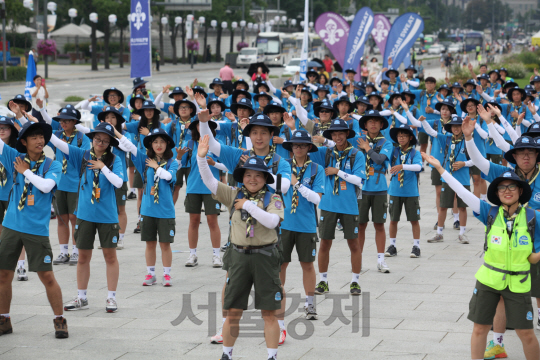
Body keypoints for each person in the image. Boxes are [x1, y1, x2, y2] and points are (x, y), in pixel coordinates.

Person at [422, 153, 540, 360]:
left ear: (521, 191)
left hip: (519, 283)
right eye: (502, 187)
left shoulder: (532, 217)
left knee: (526, 334)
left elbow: (532, 256)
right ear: (496, 192)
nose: (507, 191)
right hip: (489, 281)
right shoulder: (489, 212)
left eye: (512, 186)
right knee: (479, 329)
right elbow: (461, 191)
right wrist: (441, 169)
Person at [196, 134, 284, 360]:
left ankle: (272, 356)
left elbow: (273, 222)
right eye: (248, 174)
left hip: (265, 256)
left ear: (265, 178)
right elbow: (210, 181)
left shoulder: (273, 198)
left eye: (257, 175)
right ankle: (226, 354)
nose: (252, 179)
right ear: (242, 177)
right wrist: (201, 158)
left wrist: (248, 206)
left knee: (269, 313)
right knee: (233, 311)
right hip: (239, 257)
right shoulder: (234, 194)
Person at [0, 118, 68, 338]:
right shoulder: (14, 157)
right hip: (10, 226)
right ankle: (4, 319)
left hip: (36, 230)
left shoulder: (52, 165)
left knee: (47, 276)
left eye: (42, 137)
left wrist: (26, 172)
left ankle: (60, 320)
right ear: (24, 141)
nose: (40, 141)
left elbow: (46, 186)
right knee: (3, 275)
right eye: (34, 137)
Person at [57, 122, 123, 313]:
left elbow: (118, 183)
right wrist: (40, 125)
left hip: (107, 216)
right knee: (83, 256)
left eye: (105, 140)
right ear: (92, 139)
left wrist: (103, 167)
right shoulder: (82, 155)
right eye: (97, 139)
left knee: (110, 256)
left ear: (110, 142)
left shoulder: (114, 159)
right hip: (84, 214)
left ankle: (111, 298)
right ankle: (81, 297)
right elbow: (61, 145)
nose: (100, 142)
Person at [309, 119, 366, 295]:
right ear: (331, 136)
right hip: (328, 204)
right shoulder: (326, 153)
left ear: (347, 134)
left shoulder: (357, 154)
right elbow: (305, 150)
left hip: (349, 205)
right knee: (325, 242)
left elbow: (359, 180)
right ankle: (323, 281)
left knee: (354, 244)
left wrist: (338, 172)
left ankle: (355, 281)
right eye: (334, 134)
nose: (338, 136)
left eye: (341, 133)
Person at [116, 127, 178, 286]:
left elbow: (168, 176)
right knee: (150, 243)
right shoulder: (144, 160)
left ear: (167, 144)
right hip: (148, 210)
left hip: (165, 211)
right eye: (155, 142)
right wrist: (115, 132)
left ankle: (167, 275)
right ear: (150, 144)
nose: (159, 145)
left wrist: (156, 167)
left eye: (162, 142)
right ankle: (151, 274)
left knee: (165, 244)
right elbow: (129, 146)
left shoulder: (172, 163)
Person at [279, 129, 324, 322]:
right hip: (284, 223)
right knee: (281, 264)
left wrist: (297, 185)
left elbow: (316, 199)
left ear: (308, 148)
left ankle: (310, 303)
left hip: (306, 224)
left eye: (302, 145)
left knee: (307, 264)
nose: (298, 148)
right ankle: (277, 300)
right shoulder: (283, 166)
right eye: (295, 145)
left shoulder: (316, 169)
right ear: (291, 147)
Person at [47, 106, 91, 265]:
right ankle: (63, 251)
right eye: (61, 120)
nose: (63, 123)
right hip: (59, 183)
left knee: (74, 218)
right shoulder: (56, 135)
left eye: (67, 120)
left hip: (75, 183)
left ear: (74, 122)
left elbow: (85, 157)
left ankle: (76, 251)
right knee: (61, 218)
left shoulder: (82, 138)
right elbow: (42, 133)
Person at [420, 116, 472, 244]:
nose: (455, 128)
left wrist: (463, 164)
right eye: (453, 126)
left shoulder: (468, 141)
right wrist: (423, 121)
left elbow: (475, 160)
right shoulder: (446, 139)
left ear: (462, 127)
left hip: (463, 179)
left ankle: (462, 233)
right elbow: (432, 132)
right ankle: (439, 233)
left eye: (458, 126)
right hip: (448, 177)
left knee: (462, 207)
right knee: (443, 206)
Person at [356, 110, 393, 271]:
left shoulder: (386, 143)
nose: (373, 124)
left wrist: (367, 148)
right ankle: (358, 259)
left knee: (379, 224)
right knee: (361, 224)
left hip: (379, 188)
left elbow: (379, 159)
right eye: (370, 121)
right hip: (361, 188)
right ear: (365, 125)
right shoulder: (358, 140)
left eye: (376, 121)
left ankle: (381, 260)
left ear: (381, 124)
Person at [385, 124, 422, 258]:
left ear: (410, 138)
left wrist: (403, 166)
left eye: (404, 135)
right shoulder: (394, 151)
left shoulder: (414, 153)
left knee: (414, 220)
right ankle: (392, 245)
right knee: (393, 220)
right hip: (395, 191)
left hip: (411, 192)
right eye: (399, 136)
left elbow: (418, 167)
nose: (401, 138)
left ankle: (416, 246)